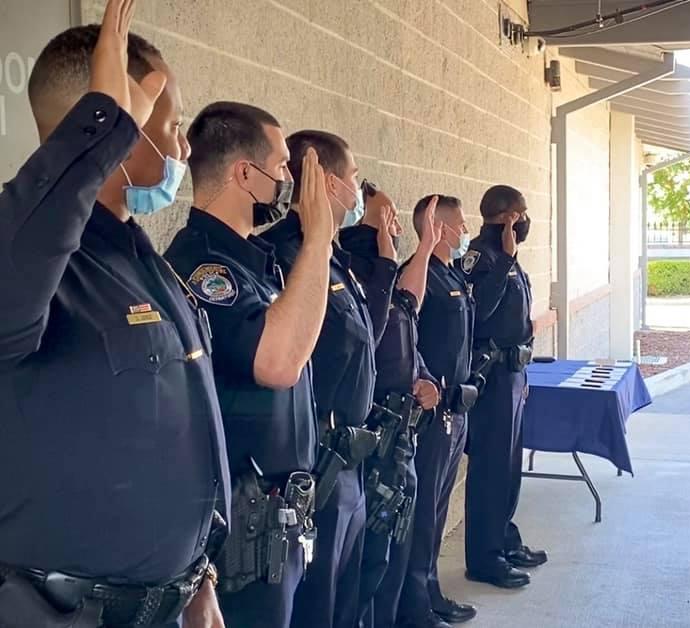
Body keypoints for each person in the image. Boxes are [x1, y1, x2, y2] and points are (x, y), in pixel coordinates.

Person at [0, 2, 228, 626]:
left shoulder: (139, 255)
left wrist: (197, 578)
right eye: (172, 124)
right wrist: (101, 129)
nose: (184, 145)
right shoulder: (34, 261)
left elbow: (175, 437)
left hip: (169, 605)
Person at [164, 102, 334, 627]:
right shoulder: (203, 265)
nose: (289, 181)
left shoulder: (249, 260)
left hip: (279, 517)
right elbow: (278, 362)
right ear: (245, 174)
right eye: (282, 168)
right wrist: (321, 240)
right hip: (242, 530)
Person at [260, 130, 397, 628]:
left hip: (352, 460)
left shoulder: (336, 257)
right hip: (317, 460)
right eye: (355, 178)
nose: (358, 189)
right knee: (316, 604)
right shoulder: (282, 254)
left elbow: (369, 337)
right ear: (330, 182)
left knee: (347, 595)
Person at [343, 195, 443, 628]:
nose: (393, 223)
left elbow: (408, 317)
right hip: (372, 435)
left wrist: (424, 378)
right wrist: (386, 257)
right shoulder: (356, 274)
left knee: (396, 547)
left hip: (402, 432)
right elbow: (373, 331)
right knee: (370, 563)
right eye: (385, 214)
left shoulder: (388, 278)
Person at [457, 185, 546, 589]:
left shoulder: (508, 257)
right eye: (522, 213)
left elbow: (519, 321)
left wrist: (522, 375)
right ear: (509, 216)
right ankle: (484, 558)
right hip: (490, 379)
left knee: (509, 469)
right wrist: (505, 260)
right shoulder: (482, 257)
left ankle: (505, 541)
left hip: (512, 375)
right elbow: (477, 313)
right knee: (490, 471)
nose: (525, 220)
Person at [397, 195, 479, 628]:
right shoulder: (419, 275)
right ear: (441, 228)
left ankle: (430, 593)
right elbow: (405, 339)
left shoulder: (451, 275)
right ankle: (413, 607)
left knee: (440, 507)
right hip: (430, 415)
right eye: (461, 225)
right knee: (423, 514)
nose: (466, 231)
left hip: (456, 408)